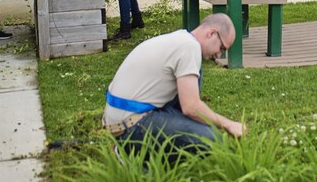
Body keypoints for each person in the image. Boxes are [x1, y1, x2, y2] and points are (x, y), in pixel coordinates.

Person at [102, 13, 246, 153]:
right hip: (130, 126)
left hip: (119, 120)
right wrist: (228, 124)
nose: (219, 55)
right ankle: (128, 154)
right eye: (222, 48)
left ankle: (146, 154)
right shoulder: (190, 48)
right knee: (212, 139)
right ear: (212, 33)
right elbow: (190, 107)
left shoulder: (180, 39)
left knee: (202, 125)